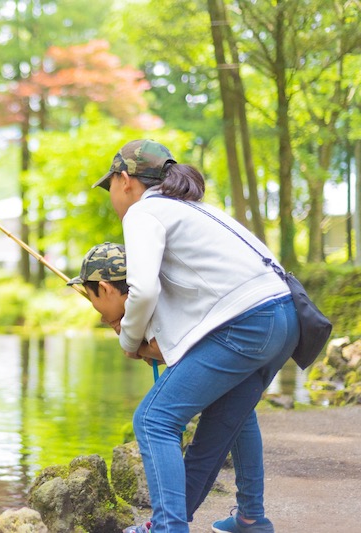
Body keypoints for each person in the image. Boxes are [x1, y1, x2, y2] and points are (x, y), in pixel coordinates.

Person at [90, 139, 298, 533]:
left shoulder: (144, 212)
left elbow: (145, 290)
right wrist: (155, 341)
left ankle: (169, 528)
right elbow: (198, 300)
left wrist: (129, 340)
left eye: (111, 187)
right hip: (283, 317)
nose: (114, 198)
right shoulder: (196, 209)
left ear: (124, 180)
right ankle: (251, 518)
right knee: (228, 416)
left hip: (249, 321)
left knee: (154, 420)